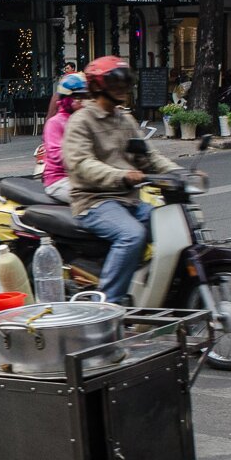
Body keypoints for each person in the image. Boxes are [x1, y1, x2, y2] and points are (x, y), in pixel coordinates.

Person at [62, 56, 180, 303]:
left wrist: (179, 173)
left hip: (128, 201)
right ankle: (107, 304)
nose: (123, 90)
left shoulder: (125, 119)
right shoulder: (81, 121)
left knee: (168, 225)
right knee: (132, 235)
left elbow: (148, 157)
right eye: (115, 84)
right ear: (97, 87)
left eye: (125, 84)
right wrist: (122, 176)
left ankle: (145, 287)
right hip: (94, 201)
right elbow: (82, 164)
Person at [42, 73, 87, 203]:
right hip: (60, 180)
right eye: (78, 98)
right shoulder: (55, 123)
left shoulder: (85, 121)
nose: (83, 102)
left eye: (85, 98)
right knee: (92, 201)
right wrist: (85, 162)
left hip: (84, 177)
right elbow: (58, 154)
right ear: (66, 99)